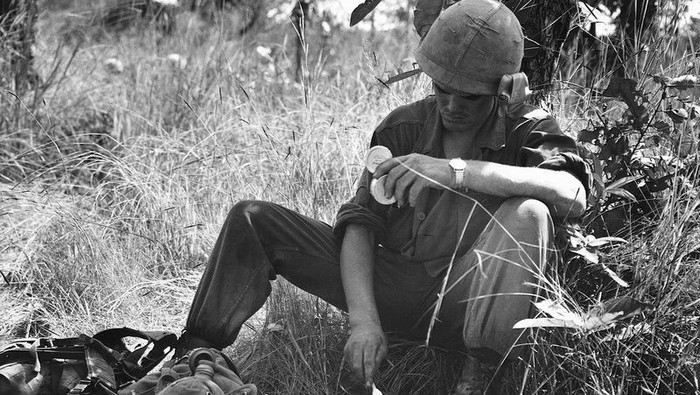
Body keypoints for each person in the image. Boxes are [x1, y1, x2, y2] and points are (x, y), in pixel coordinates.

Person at [178, 0, 590, 393]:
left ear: (504, 88)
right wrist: (363, 322)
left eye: (470, 97)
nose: (451, 105)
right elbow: (360, 225)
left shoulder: (529, 127)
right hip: (391, 287)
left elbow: (572, 194)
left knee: (531, 212)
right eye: (443, 89)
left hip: (467, 304)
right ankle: (196, 351)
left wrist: (456, 172)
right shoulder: (402, 127)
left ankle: (481, 372)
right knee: (251, 217)